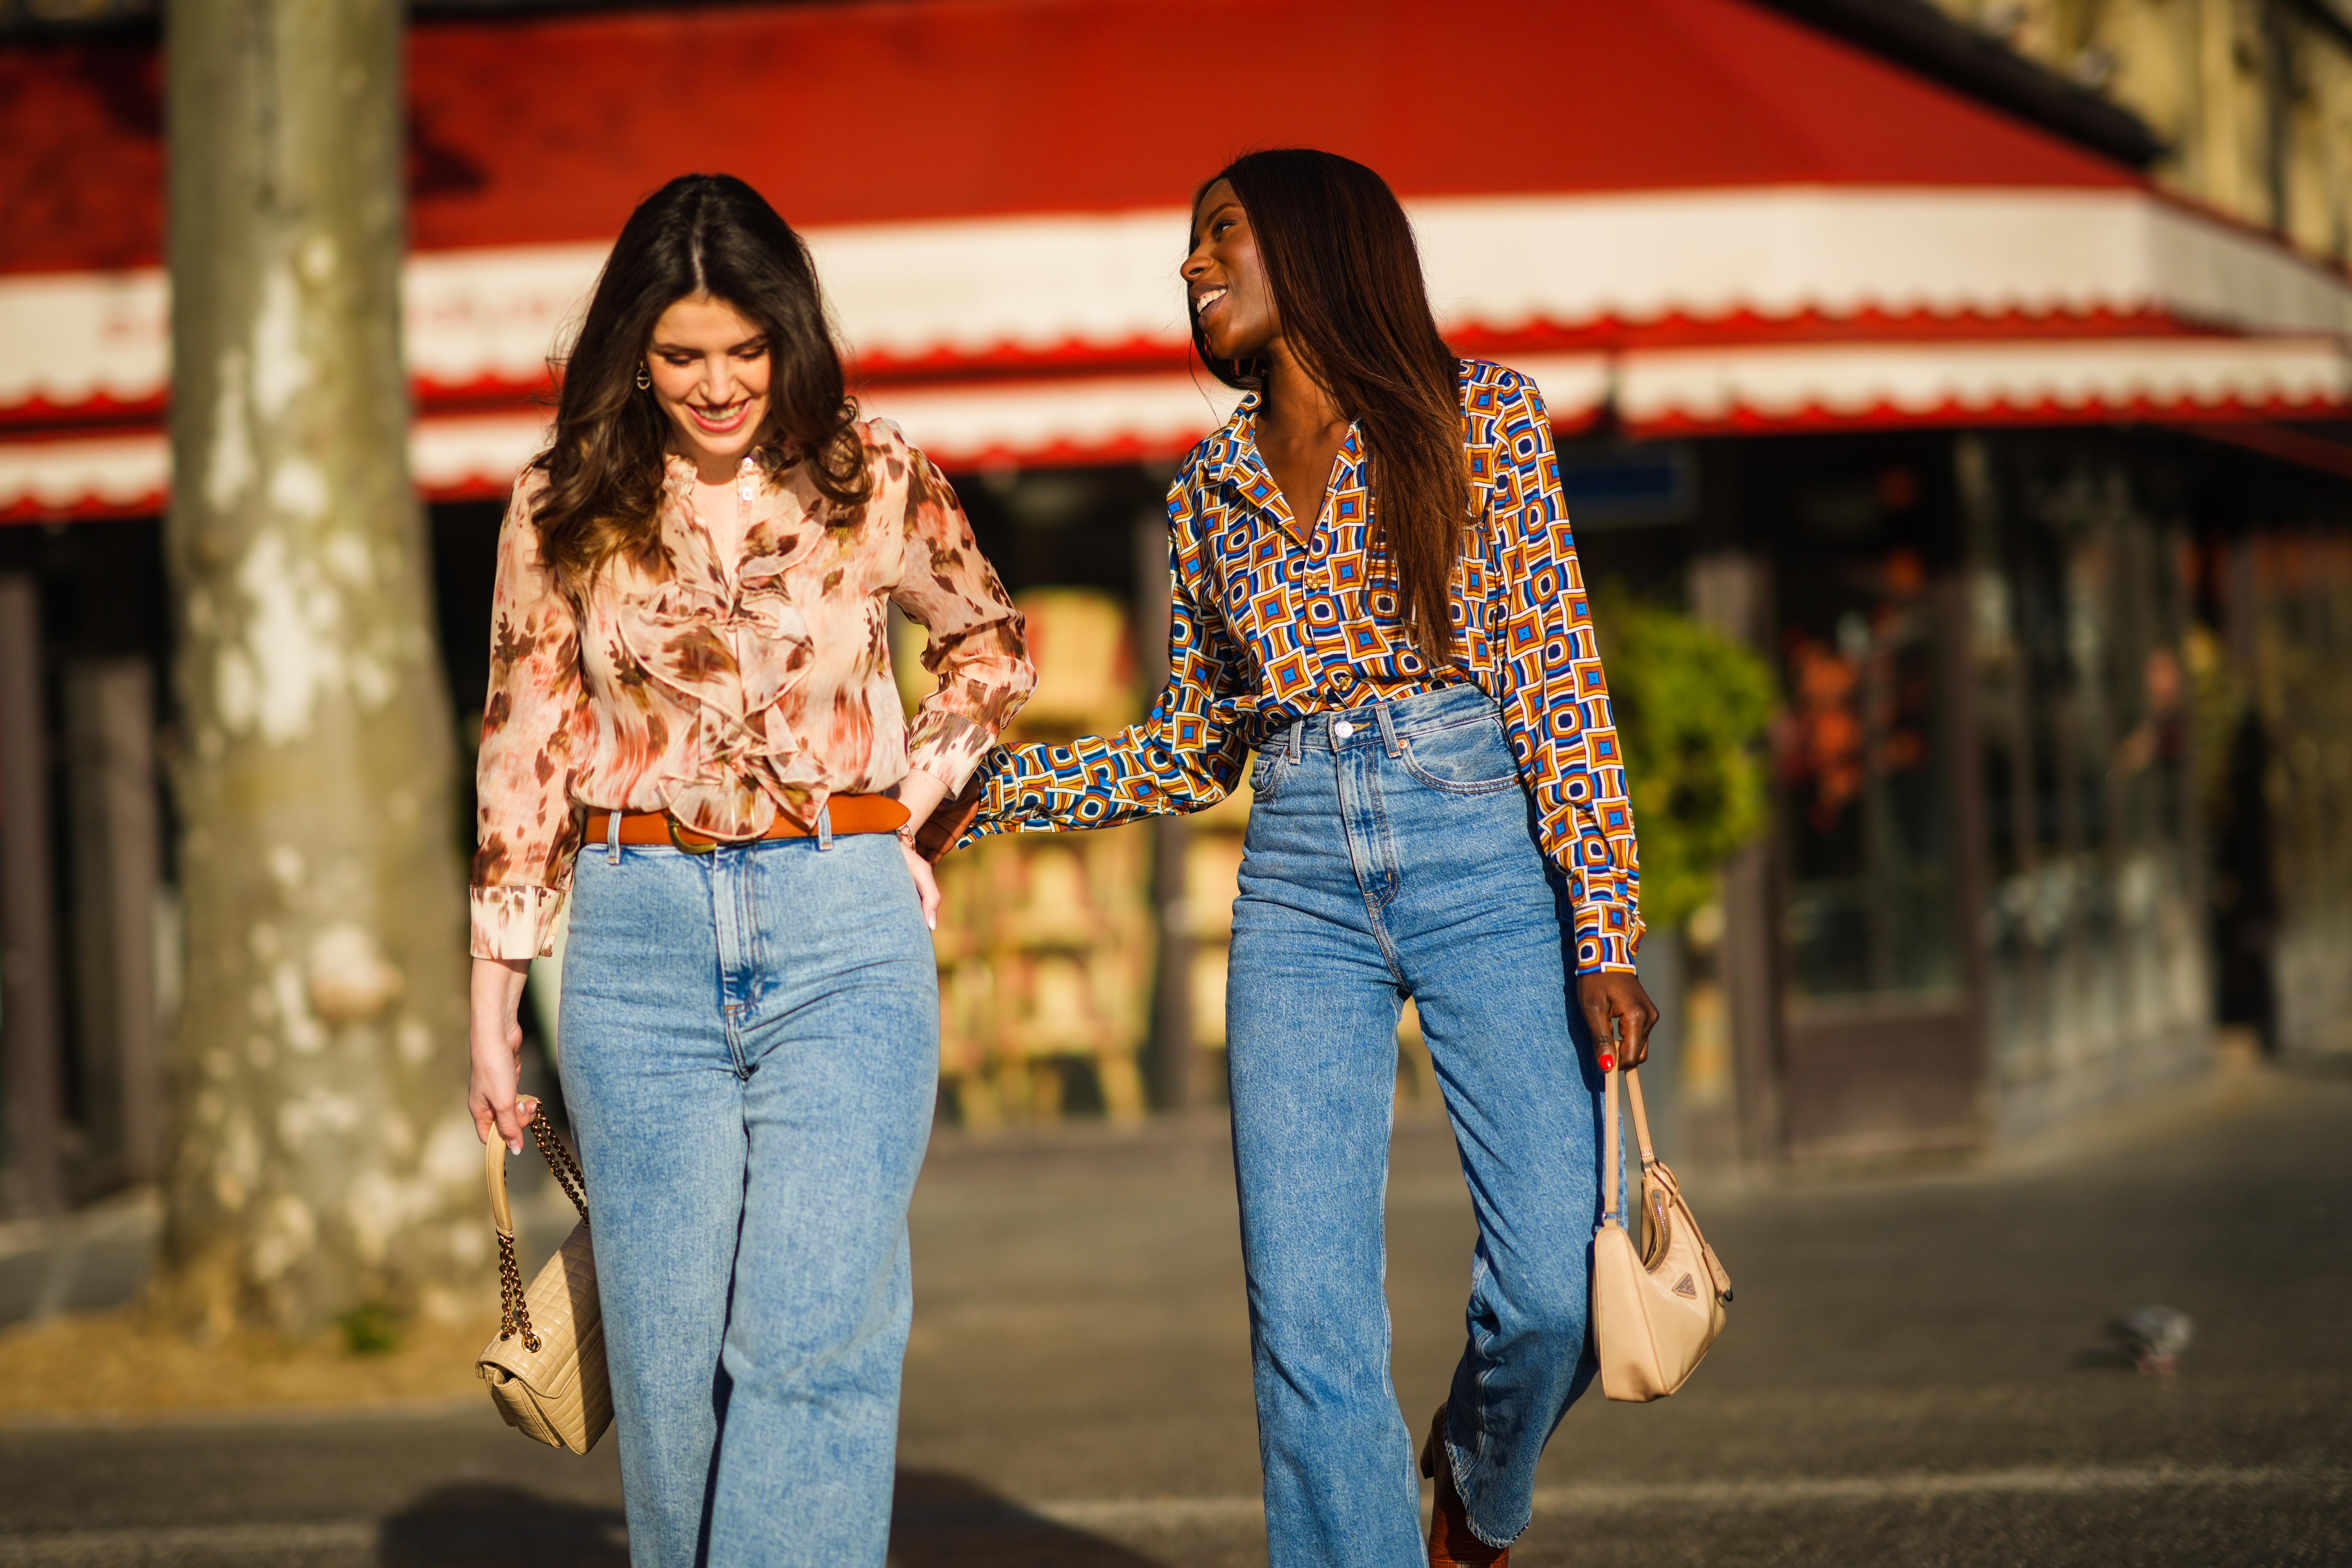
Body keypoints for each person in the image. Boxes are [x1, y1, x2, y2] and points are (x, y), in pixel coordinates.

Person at [953, 149, 1658, 1568]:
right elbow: (1189, 746)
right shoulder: (1206, 486)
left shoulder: (1481, 421)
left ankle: (1473, 1478)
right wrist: (977, 792)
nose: (1190, 266)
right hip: (1295, 884)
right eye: (1188, 244)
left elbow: (1553, 672)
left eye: (1220, 234)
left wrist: (1603, 923)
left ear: (1321, 246)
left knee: (1553, 1285)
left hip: (1479, 845)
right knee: (1307, 1314)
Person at [465, 173, 1032, 1568]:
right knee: (668, 1376)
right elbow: (524, 742)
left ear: (787, 335)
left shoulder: (873, 470)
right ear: (633, 353)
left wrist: (910, 804)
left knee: (813, 1335)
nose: (716, 385)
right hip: (634, 951)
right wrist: (488, 1002)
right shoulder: (562, 500)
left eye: (743, 350)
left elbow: (990, 642)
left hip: (843, 932)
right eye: (680, 355)